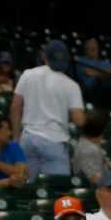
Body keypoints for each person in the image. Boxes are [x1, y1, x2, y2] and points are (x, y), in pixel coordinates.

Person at [11, 42, 86, 178]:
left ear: (45, 57)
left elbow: (15, 107)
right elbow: (79, 120)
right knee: (55, 191)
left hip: (28, 138)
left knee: (27, 190)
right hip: (54, 141)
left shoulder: (28, 74)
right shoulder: (71, 85)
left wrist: (16, 138)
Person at [72, 112, 111, 184]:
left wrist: (110, 164)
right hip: (92, 187)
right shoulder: (89, 150)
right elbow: (94, 179)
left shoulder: (85, 141)